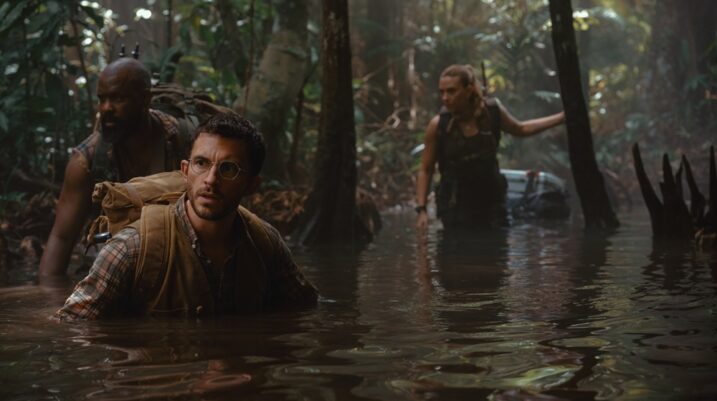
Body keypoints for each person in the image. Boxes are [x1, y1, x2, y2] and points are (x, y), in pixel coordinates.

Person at [56, 112, 318, 320]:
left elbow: (305, 311)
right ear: (185, 171)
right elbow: (73, 327)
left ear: (251, 185)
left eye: (228, 169)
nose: (211, 180)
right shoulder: (132, 248)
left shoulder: (265, 244)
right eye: (201, 163)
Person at [39, 58, 189, 277]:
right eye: (102, 98)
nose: (106, 108)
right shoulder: (87, 161)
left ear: (145, 99)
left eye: (118, 98)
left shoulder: (182, 142)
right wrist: (45, 295)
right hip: (116, 268)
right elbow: (62, 238)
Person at [415, 64, 565, 230]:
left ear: (468, 90)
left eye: (451, 91)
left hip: (492, 201)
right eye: (442, 92)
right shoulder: (438, 125)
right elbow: (426, 169)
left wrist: (561, 118)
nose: (445, 98)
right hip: (455, 205)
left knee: (495, 242)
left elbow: (521, 129)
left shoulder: (491, 113)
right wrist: (421, 210)